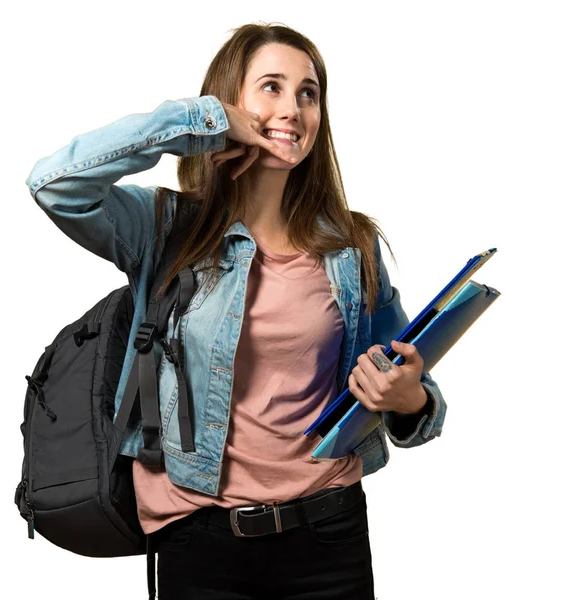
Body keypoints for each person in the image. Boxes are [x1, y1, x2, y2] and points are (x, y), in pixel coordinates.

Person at [26, 21, 446, 600]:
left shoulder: (352, 246)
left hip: (330, 532)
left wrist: (411, 400)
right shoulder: (167, 229)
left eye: (308, 92)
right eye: (270, 87)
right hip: (200, 539)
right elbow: (55, 185)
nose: (293, 108)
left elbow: (405, 372)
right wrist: (197, 123)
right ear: (231, 99)